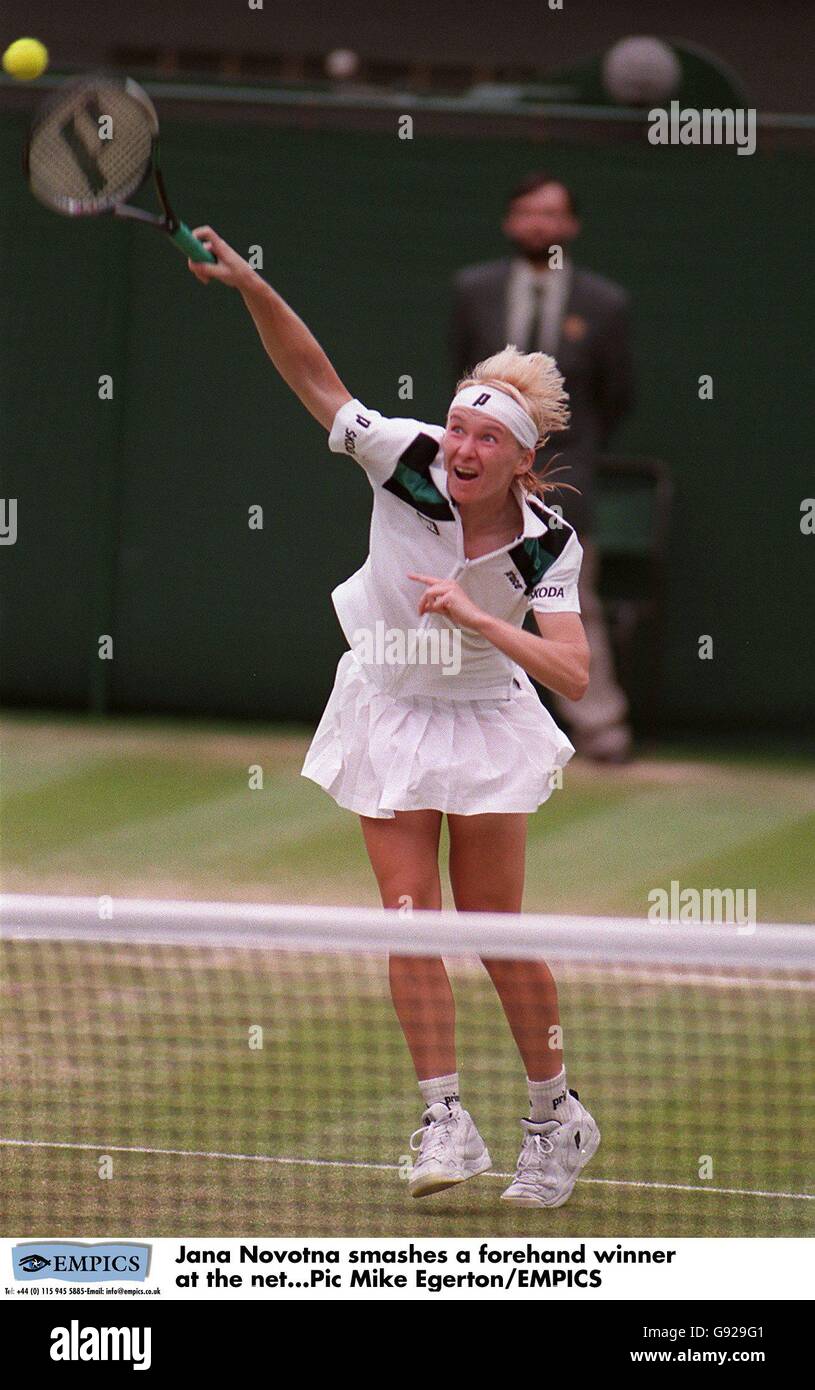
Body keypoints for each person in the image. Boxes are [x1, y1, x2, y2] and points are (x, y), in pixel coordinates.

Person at [187, 227, 601, 1209]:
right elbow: (315, 379)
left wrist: (473, 618)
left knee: (493, 925)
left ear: (519, 456)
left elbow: (573, 675)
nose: (458, 445)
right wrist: (254, 283)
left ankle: (553, 1114)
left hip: (483, 716)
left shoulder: (546, 544)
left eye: (483, 437)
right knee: (409, 917)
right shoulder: (403, 456)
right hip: (386, 699)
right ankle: (442, 1116)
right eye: (456, 426)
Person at [451, 172, 635, 763]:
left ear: (572, 226)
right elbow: (461, 382)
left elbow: (616, 396)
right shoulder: (471, 290)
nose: (540, 224)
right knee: (464, 585)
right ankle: (459, 709)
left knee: (572, 593)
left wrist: (565, 456)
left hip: (568, 472)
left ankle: (600, 729)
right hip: (482, 473)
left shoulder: (605, 303)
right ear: (510, 222)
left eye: (552, 214)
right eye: (527, 212)